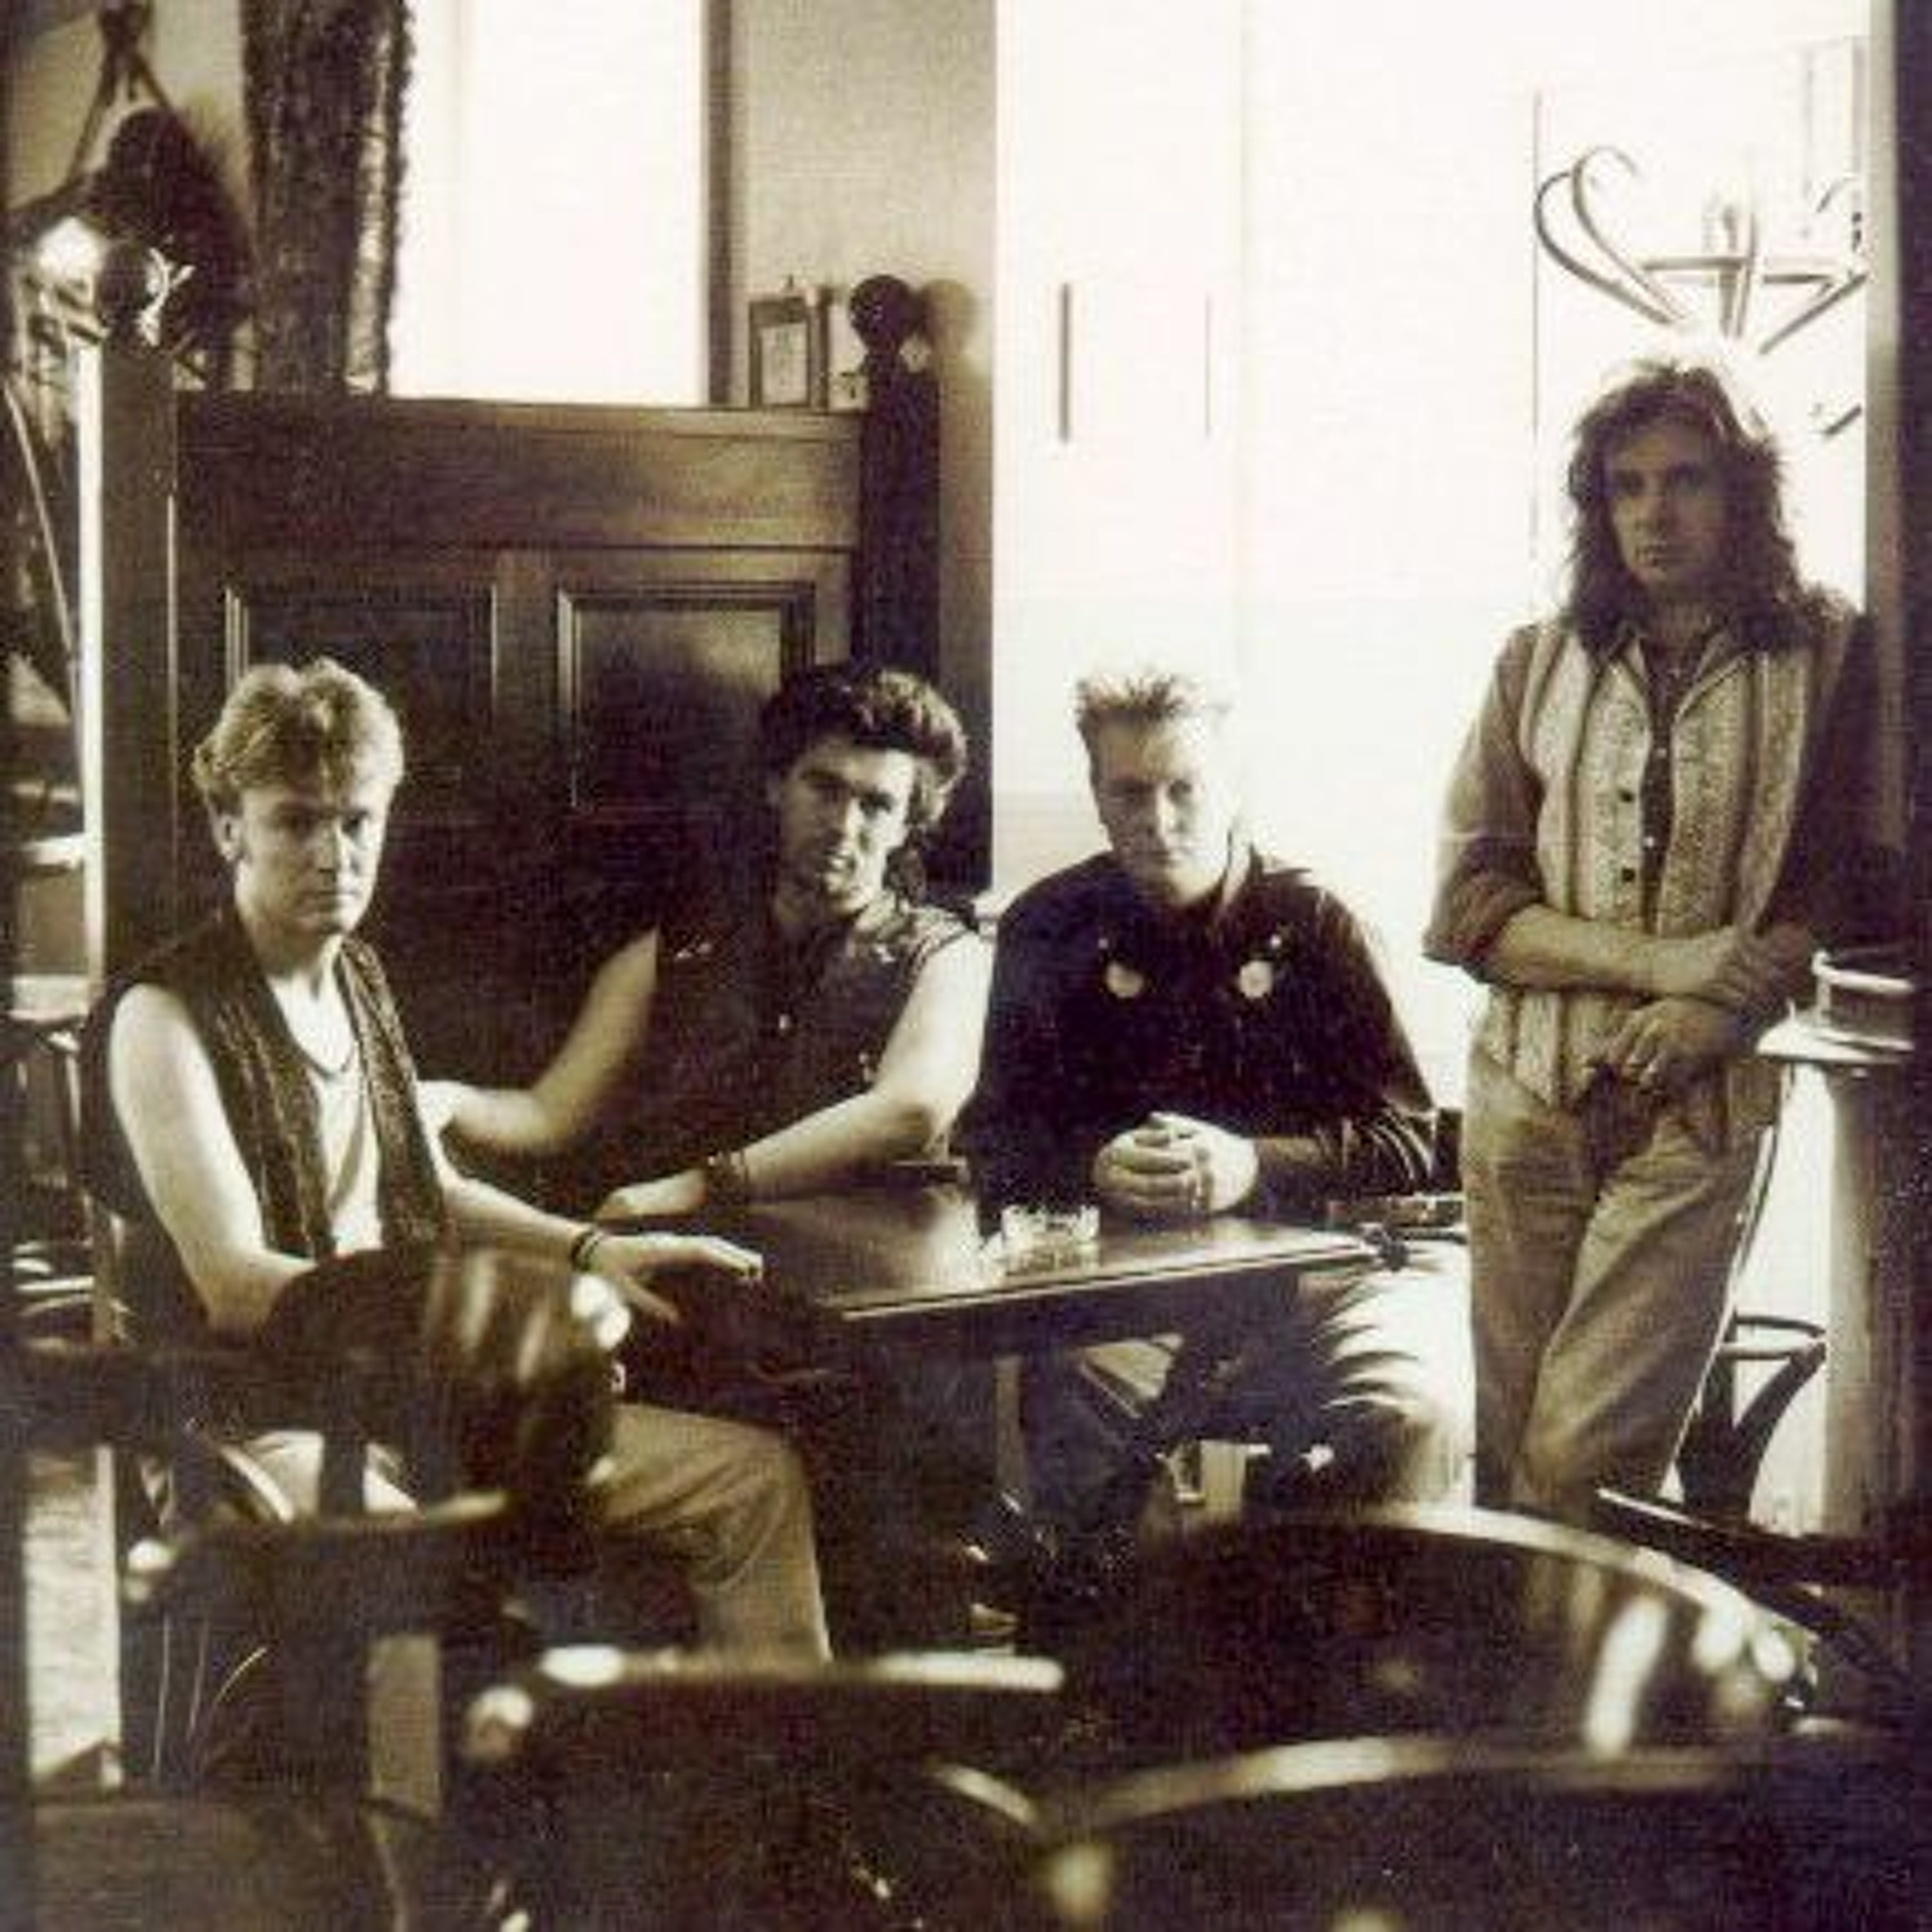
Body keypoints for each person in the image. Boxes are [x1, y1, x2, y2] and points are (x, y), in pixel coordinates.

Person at [84, 658, 829, 1658]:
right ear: (230, 829)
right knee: (424, 1572)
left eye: (357, 822)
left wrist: (588, 1252)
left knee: (753, 1483)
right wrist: (504, 1332)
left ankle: (773, 1761)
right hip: (251, 1426)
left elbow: (422, 1187)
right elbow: (236, 1285)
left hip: (412, 1402)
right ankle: (465, 1767)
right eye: (296, 822)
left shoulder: (357, 975)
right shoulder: (164, 1014)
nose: (335, 854)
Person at [1426, 357, 1898, 1524]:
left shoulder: (1832, 657)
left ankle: (1587, 1648)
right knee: (1510, 1466)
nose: (1655, 514)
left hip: (1699, 1110)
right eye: (1626, 486)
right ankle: (1571, 1656)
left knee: (1584, 1469)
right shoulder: (1537, 659)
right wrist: (1660, 963)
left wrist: (1723, 1008)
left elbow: (1852, 890)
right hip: (1523, 1095)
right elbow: (1472, 908)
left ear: (1745, 493)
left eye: (1686, 480)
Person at [964, 668, 1466, 1531]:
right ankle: (1139, 1617)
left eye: (1184, 789)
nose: (1158, 820)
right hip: (1137, 1277)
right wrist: (1090, 1167)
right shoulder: (1047, 926)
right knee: (1076, 1401)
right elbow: (993, 1139)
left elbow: (1413, 1140)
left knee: (1408, 1414)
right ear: (1096, 796)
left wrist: (1252, 1166)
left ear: (1232, 789)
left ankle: (1325, 1620)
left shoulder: (1318, 921)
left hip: (1340, 1268)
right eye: (1129, 793)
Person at [433, 661, 989, 1217]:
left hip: (862, 1252)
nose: (843, 825)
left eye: (876, 805)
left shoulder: (947, 958)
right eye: (824, 788)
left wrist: (698, 1187)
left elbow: (912, 1110)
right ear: (777, 786)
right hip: (678, 1240)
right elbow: (548, 1116)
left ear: (907, 825)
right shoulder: (673, 951)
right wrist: (446, 1101)